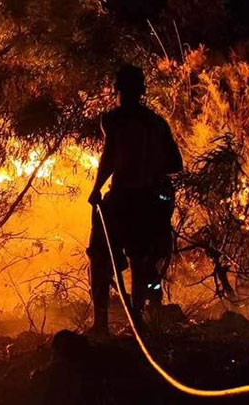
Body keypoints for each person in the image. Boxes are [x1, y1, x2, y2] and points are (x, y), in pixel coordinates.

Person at [86, 65, 183, 337]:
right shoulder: (157, 123)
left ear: (118, 90)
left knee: (100, 257)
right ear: (142, 91)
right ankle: (136, 321)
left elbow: (108, 157)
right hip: (148, 201)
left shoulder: (113, 120)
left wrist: (96, 189)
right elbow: (176, 163)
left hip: (123, 199)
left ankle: (101, 325)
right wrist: (153, 170)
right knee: (140, 260)